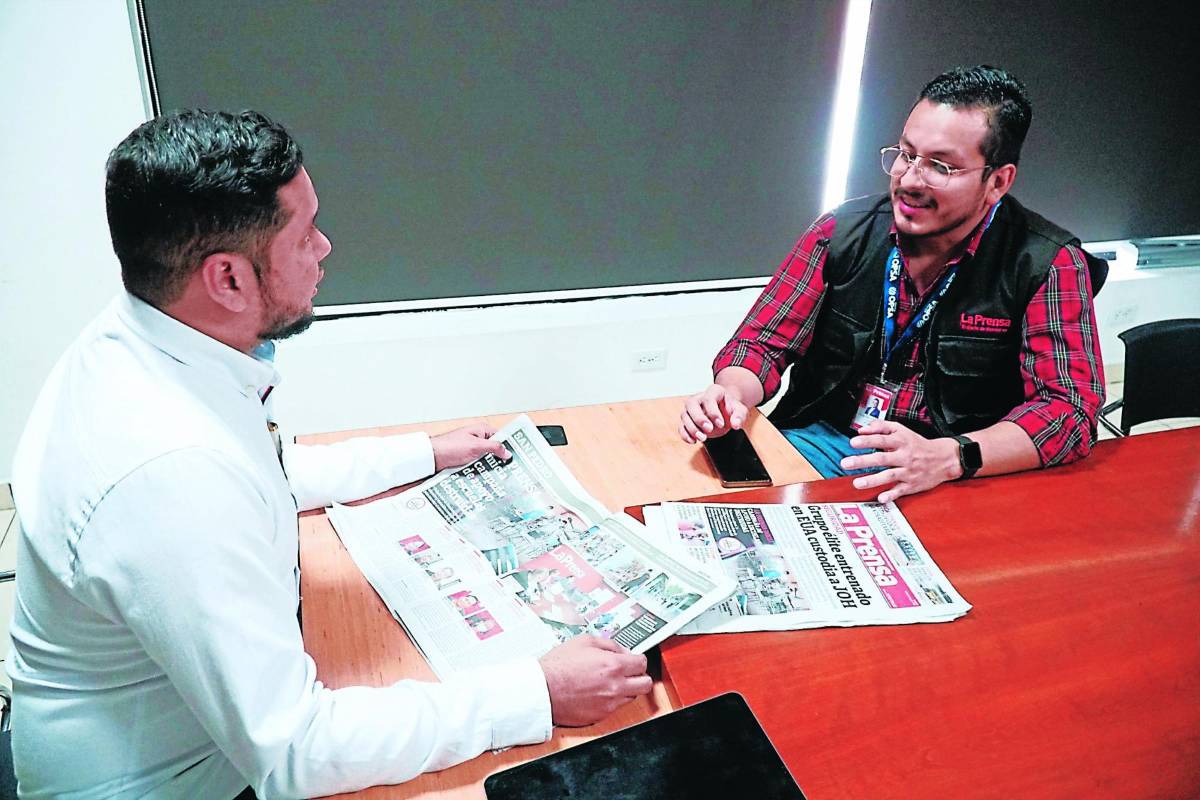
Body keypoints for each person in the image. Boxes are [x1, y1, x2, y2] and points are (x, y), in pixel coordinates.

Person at [8, 110, 651, 799]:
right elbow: (297, 754)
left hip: (192, 733)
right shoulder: (170, 475)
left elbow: (261, 475)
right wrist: (536, 691)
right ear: (227, 280)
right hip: (169, 782)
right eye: (304, 234)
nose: (326, 247)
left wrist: (421, 452)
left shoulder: (149, 340)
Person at [680, 65, 1106, 502]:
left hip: (957, 469)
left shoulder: (1046, 261)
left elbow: (1067, 411)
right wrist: (730, 394)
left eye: (940, 165)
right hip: (827, 445)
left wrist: (950, 457)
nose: (909, 179)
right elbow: (761, 345)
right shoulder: (842, 232)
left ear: (997, 180)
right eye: (906, 154)